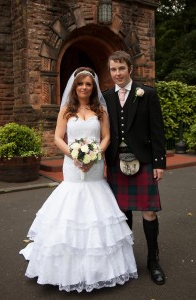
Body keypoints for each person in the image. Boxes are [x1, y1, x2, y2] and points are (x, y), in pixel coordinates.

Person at [19, 67, 138, 293]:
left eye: (88, 84)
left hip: (94, 167)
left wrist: (93, 157)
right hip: (72, 165)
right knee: (71, 206)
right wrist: (75, 155)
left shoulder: (100, 110)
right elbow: (57, 137)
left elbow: (106, 137)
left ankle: (99, 268)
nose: (84, 87)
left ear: (93, 88)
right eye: (80, 84)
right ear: (75, 87)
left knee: (95, 208)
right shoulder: (66, 110)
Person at [103, 50, 166, 285]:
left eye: (121, 68)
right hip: (116, 163)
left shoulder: (147, 94)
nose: (117, 73)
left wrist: (159, 162)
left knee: (149, 212)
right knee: (123, 213)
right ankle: (126, 260)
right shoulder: (106, 97)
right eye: (113, 69)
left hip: (144, 161)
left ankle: (153, 260)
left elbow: (157, 130)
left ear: (130, 69)